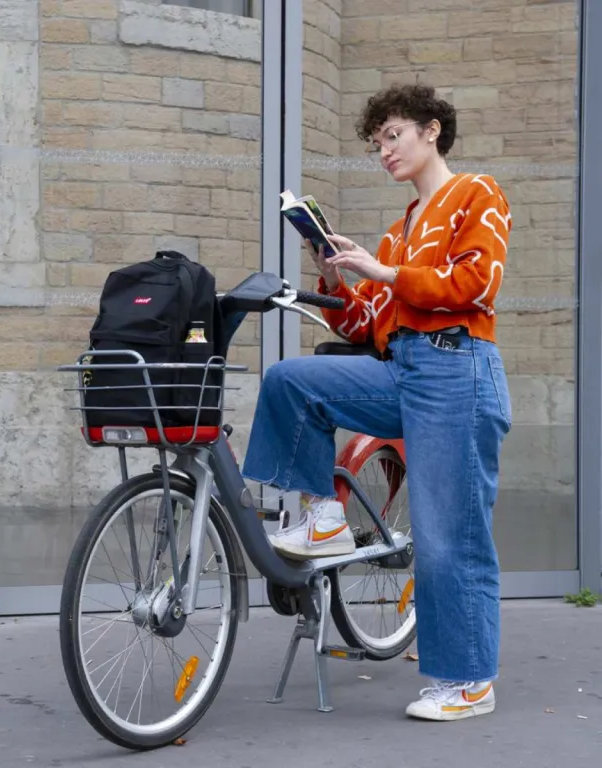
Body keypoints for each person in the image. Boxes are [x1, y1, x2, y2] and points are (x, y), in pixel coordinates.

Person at [242, 83, 512, 721]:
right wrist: (335, 275)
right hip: (404, 370)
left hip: (459, 369)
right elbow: (366, 326)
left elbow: (478, 282)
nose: (384, 150)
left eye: (393, 136)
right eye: (377, 143)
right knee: (290, 379)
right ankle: (325, 517)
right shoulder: (397, 233)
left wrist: (387, 275)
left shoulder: (478, 193)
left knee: (451, 539)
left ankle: (468, 682)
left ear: (431, 131)